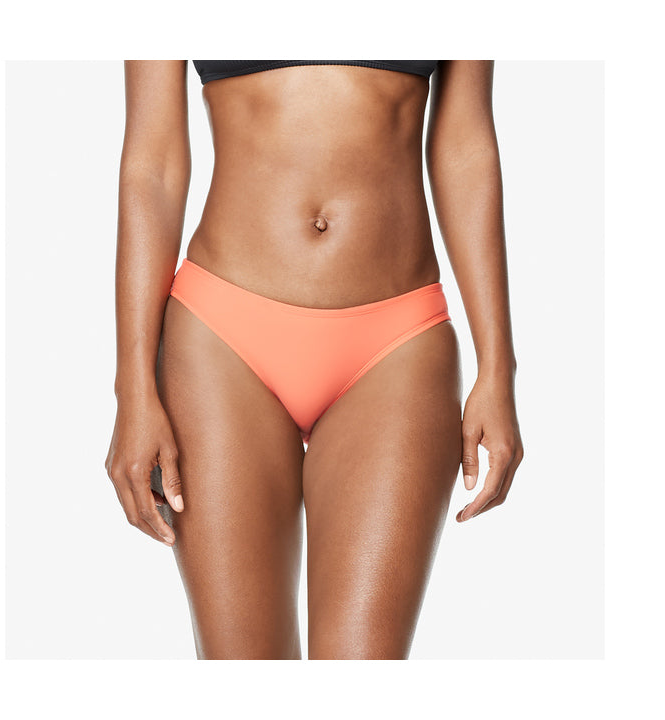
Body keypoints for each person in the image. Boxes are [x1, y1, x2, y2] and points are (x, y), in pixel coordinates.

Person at [104, 59, 524, 660]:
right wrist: (133, 390)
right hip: (222, 337)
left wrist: (498, 368)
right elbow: (154, 165)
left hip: (396, 345)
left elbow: (466, 147)